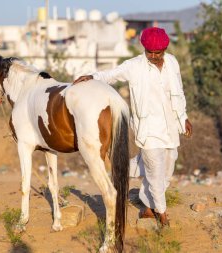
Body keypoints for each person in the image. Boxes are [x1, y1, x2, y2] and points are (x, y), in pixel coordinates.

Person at [73, 27, 192, 226]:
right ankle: (161, 212)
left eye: (157, 53)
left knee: (167, 168)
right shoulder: (134, 65)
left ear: (165, 50)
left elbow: (178, 91)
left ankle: (142, 198)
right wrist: (92, 77)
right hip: (148, 129)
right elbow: (112, 74)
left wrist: (184, 117)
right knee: (155, 170)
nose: (153, 56)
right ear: (144, 49)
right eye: (149, 52)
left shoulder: (172, 63)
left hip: (170, 126)